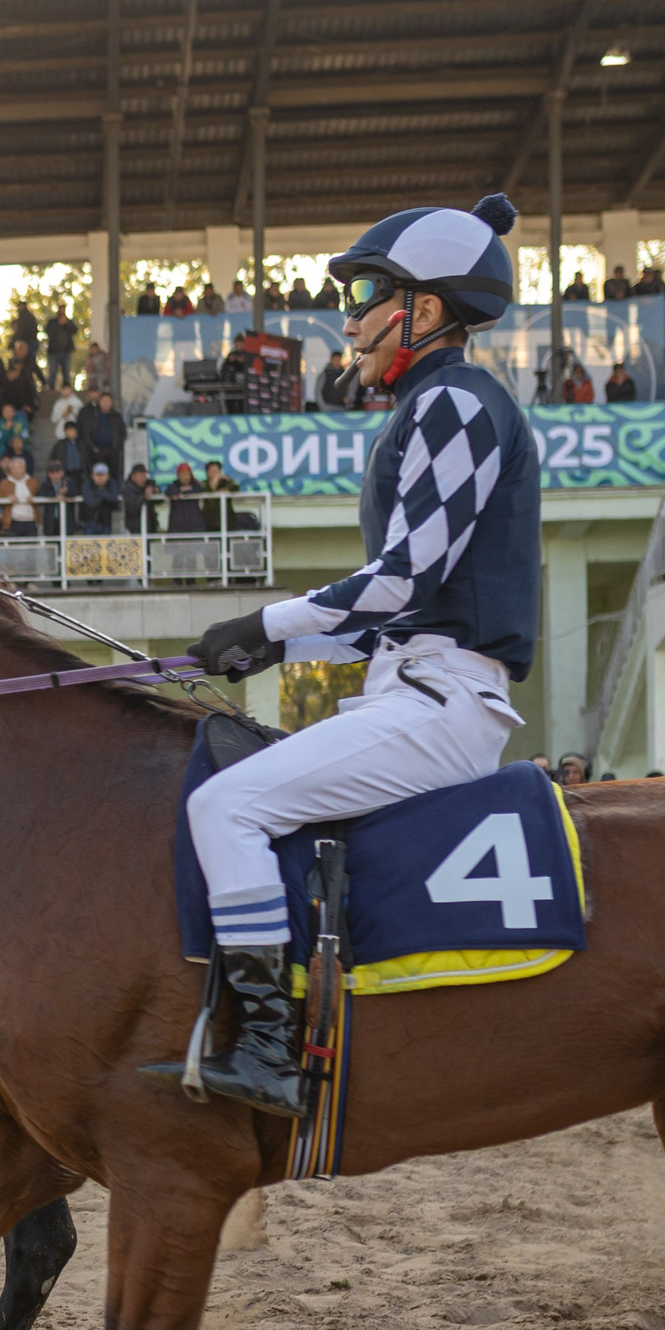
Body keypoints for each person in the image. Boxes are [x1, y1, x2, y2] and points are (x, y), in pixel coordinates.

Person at [160, 192, 538, 1119]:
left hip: (441, 700)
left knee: (228, 804)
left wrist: (270, 622)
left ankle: (265, 1045)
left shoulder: (454, 400)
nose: (353, 316)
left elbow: (401, 580)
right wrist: (253, 645)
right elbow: (385, 617)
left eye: (369, 292)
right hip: (412, 683)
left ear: (429, 307)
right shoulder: (434, 404)